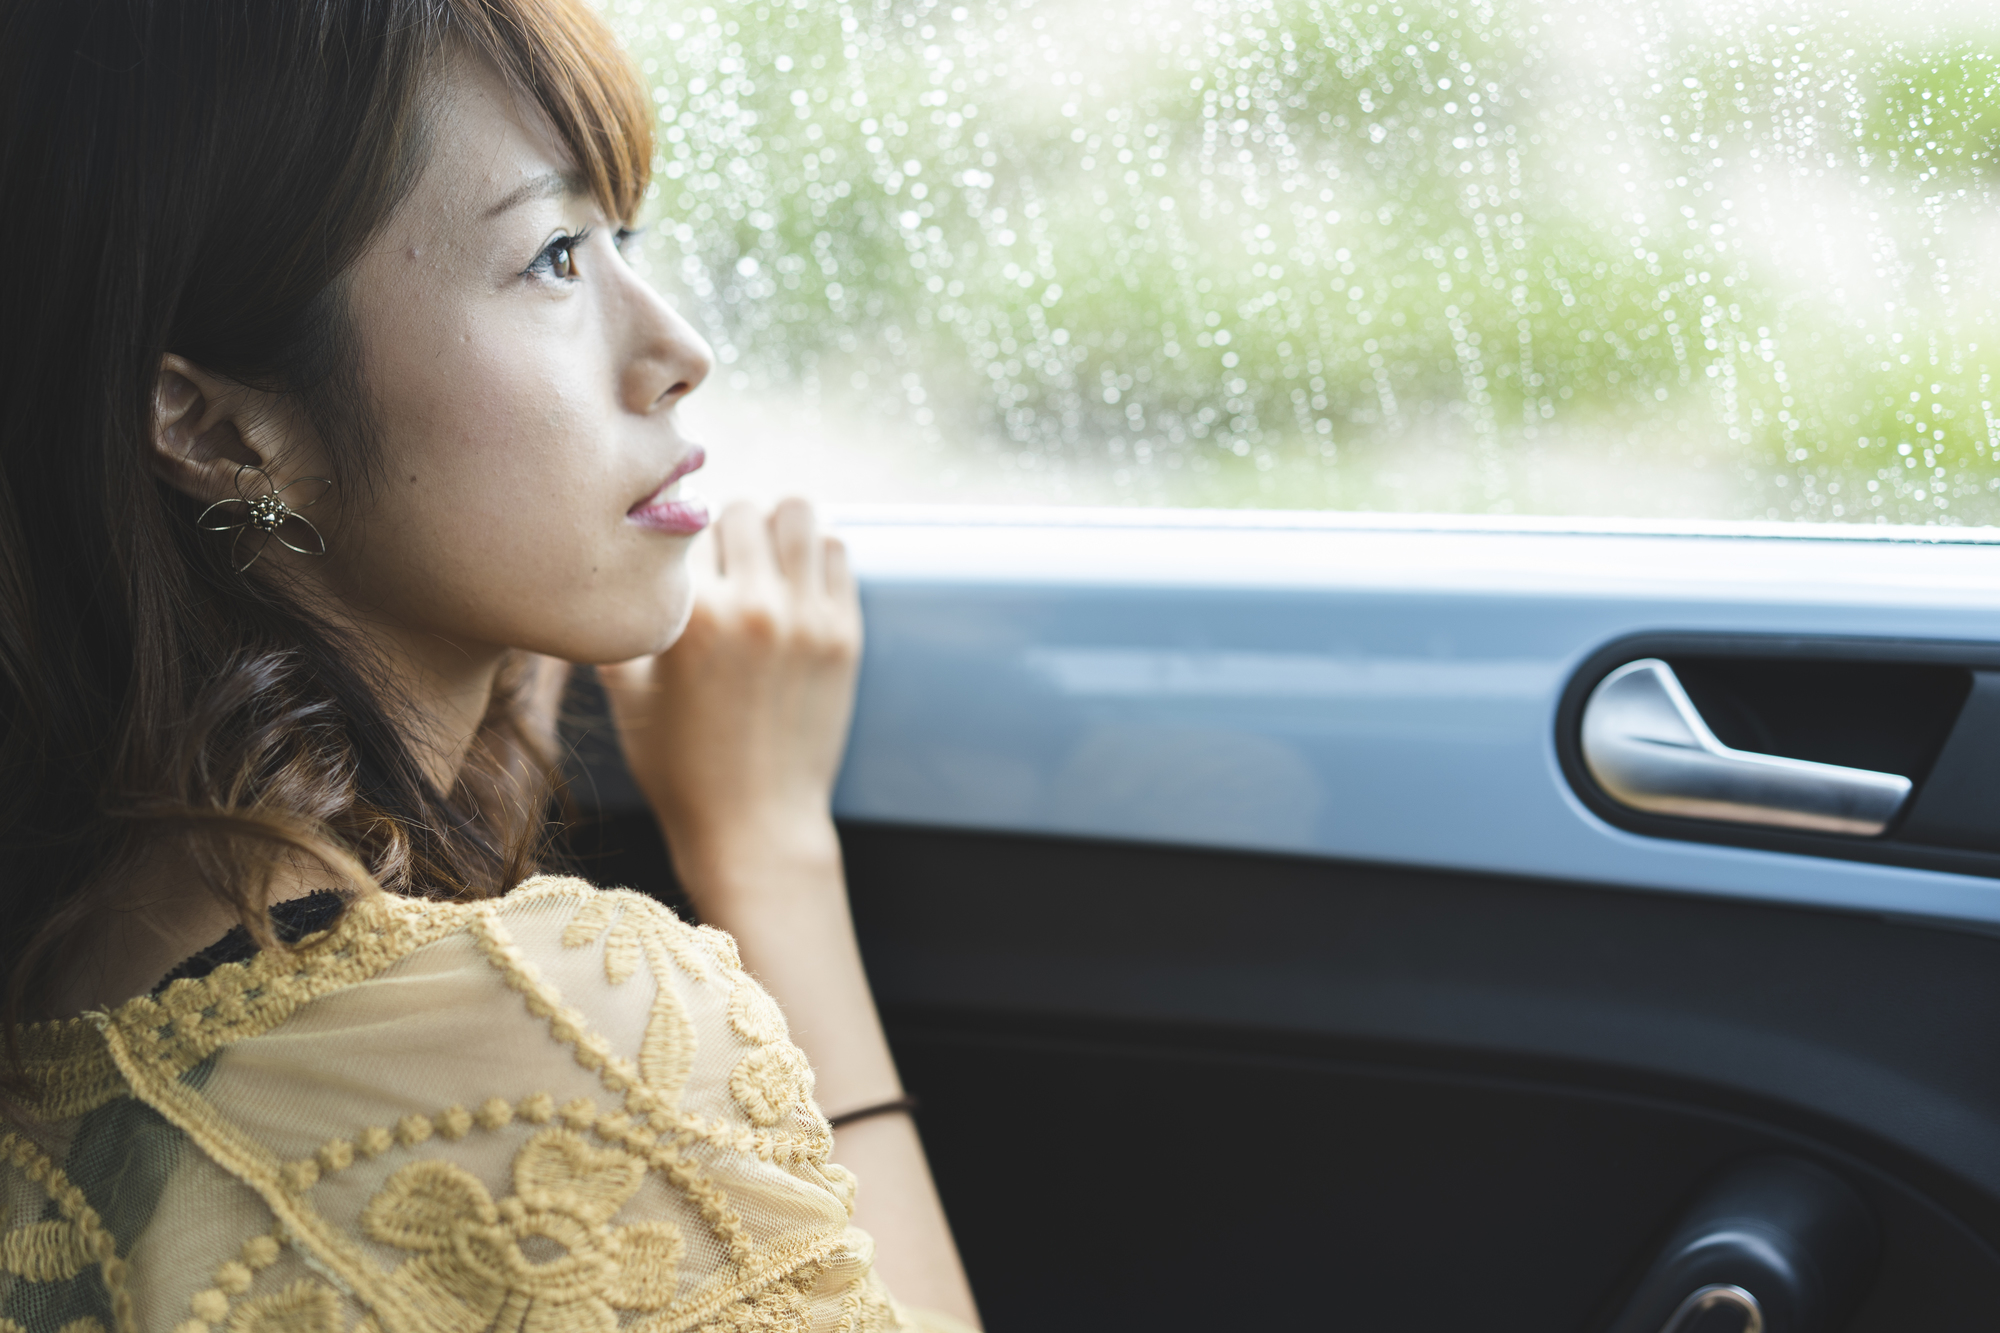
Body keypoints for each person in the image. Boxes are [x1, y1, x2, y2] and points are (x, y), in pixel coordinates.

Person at [0, 1, 980, 1330]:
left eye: (621, 236)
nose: (680, 350)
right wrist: (768, 853)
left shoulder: (77, 984)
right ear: (216, 425)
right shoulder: (545, 1042)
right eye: (556, 256)